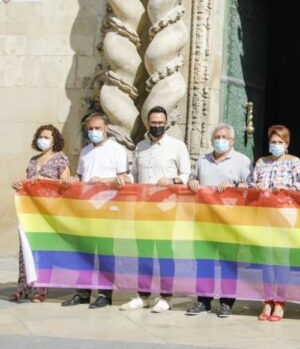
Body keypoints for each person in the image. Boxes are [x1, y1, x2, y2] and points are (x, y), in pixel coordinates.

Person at [121, 106, 191, 313]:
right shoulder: (140, 147)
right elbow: (135, 174)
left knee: (164, 252)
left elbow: (186, 174)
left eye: (161, 123)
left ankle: (166, 296)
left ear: (167, 123)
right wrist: (126, 178)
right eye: (154, 123)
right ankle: (143, 295)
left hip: (165, 208)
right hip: (143, 207)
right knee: (144, 252)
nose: (157, 126)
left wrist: (172, 180)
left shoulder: (177, 146)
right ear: (148, 123)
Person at [61, 112, 130, 309]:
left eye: (97, 128)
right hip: (85, 208)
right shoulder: (85, 151)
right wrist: (73, 179)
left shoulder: (117, 150)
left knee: (105, 253)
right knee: (84, 251)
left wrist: (103, 181)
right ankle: (82, 292)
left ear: (106, 128)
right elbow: (81, 177)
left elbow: (125, 178)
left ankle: (104, 294)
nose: (94, 132)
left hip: (107, 208)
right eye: (90, 129)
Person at [184, 123, 253, 318]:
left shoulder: (242, 161)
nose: (220, 140)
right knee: (204, 262)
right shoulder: (203, 160)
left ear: (232, 141)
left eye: (224, 137)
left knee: (228, 263)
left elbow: (250, 186)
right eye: (217, 137)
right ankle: (203, 301)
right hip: (204, 220)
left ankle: (227, 303)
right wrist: (191, 181)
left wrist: (234, 184)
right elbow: (193, 178)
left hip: (229, 221)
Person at [250, 124, 300, 322]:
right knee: (266, 260)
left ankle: (280, 303)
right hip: (264, 216)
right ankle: (267, 300)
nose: (276, 145)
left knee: (282, 260)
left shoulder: (294, 162)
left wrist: (286, 188)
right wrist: (255, 187)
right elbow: (250, 185)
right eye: (273, 141)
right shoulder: (261, 162)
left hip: (285, 216)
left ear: (287, 143)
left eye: (280, 142)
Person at [10, 125, 71, 302]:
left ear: (54, 140)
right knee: (25, 248)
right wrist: (19, 185)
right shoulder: (33, 160)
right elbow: (29, 183)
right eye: (40, 136)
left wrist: (45, 180)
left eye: (46, 137)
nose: (42, 140)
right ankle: (22, 287)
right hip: (30, 210)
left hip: (48, 211)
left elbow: (65, 184)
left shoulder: (60, 159)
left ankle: (41, 289)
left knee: (44, 250)